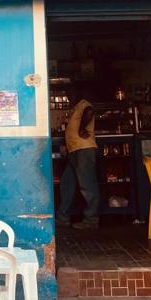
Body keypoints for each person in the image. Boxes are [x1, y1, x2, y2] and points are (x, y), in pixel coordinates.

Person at [60, 96, 100, 230]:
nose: (69, 95)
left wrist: (82, 128)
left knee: (87, 186)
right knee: (67, 184)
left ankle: (92, 219)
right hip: (75, 150)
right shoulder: (76, 107)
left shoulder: (84, 103)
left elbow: (89, 111)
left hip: (84, 149)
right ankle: (63, 217)